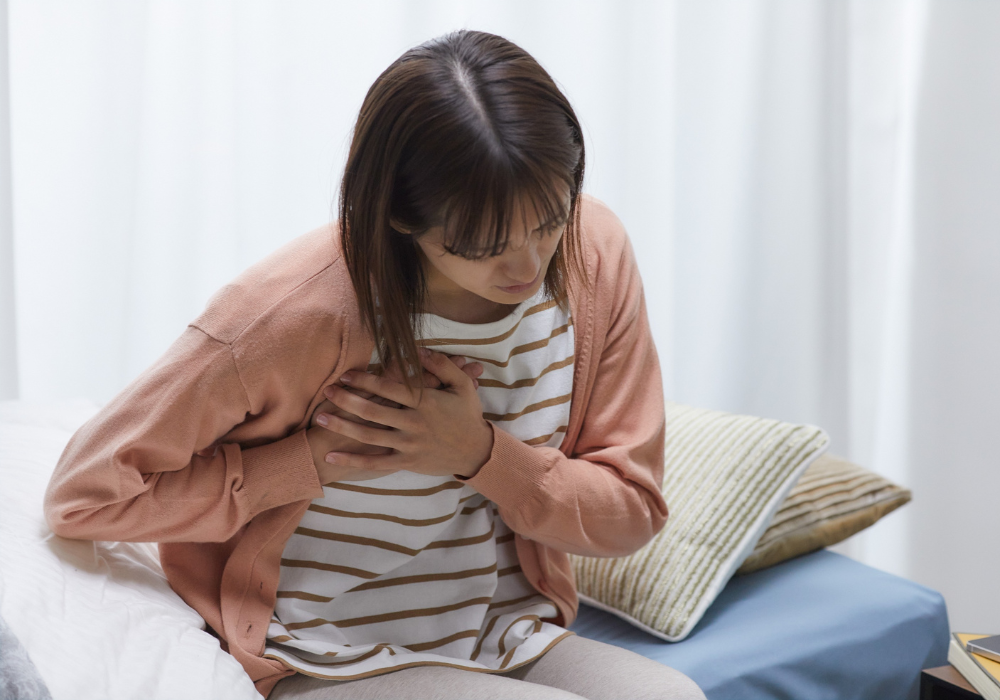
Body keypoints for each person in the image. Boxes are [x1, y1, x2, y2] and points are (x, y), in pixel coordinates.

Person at [43, 29, 706, 700]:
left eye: (549, 222)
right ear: (398, 216)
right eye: (483, 245)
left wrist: (478, 453)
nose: (529, 266)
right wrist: (307, 461)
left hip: (506, 635)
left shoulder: (594, 254)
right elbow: (84, 496)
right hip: (317, 651)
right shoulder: (290, 312)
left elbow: (632, 512)